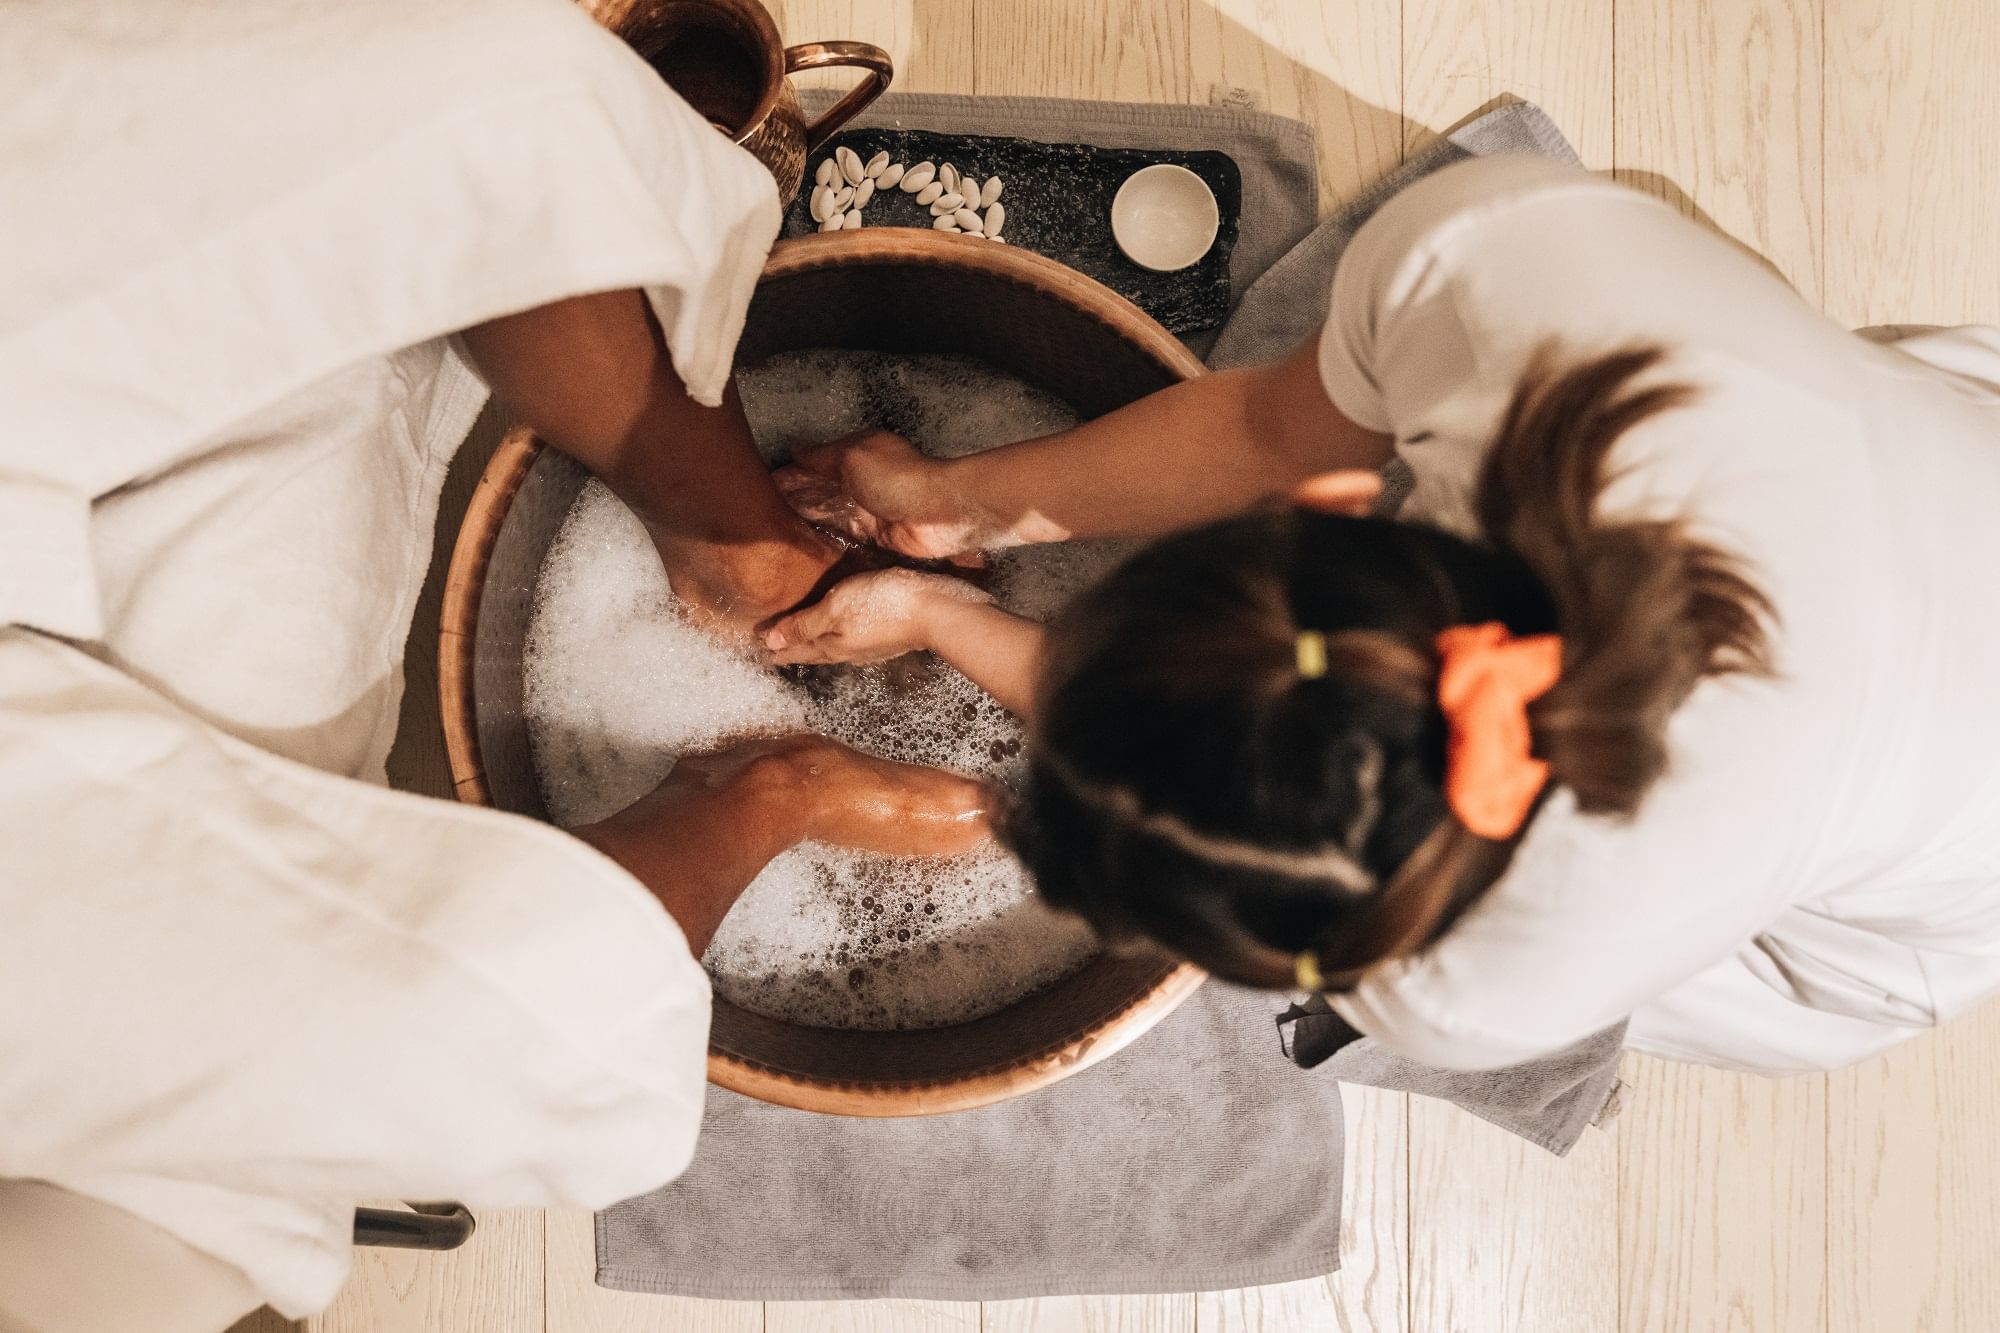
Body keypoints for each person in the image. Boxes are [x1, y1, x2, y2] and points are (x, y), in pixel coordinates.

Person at [0, 0, 987, 1324]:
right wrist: (771, 791)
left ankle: (727, 549)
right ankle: (739, 707)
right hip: (119, 1184)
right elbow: (489, 1032)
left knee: (445, 146)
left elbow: (482, 135)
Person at [767, 154, 2000, 1079]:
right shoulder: (1510, 283)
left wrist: (939, 613)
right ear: (1333, 507)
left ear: (1341, 506)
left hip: (1948, 868)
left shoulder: (1497, 982)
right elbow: (1260, 431)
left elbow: (1267, 444)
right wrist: (946, 513)